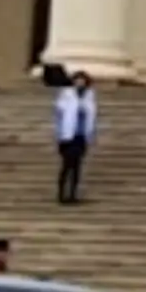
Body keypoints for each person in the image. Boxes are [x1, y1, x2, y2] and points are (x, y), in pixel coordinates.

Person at [53, 71, 99, 205]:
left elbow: (92, 117)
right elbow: (59, 115)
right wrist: (60, 135)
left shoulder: (89, 96)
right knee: (67, 166)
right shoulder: (66, 94)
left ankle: (73, 194)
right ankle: (61, 194)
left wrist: (91, 135)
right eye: (77, 80)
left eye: (82, 80)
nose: (80, 83)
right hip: (68, 136)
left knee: (77, 167)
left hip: (81, 136)